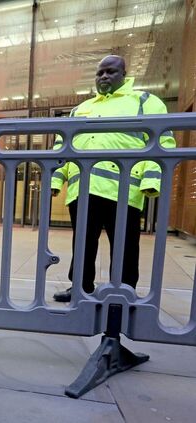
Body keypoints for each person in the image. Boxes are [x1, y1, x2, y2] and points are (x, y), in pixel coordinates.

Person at [51, 55, 176, 302]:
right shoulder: (81, 109)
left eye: (110, 72)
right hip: (83, 189)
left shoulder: (144, 101)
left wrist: (151, 181)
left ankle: (123, 290)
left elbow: (162, 141)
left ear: (124, 74)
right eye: (100, 73)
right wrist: (56, 180)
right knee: (83, 244)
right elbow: (62, 146)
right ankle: (80, 288)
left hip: (123, 190)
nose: (104, 76)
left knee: (125, 246)